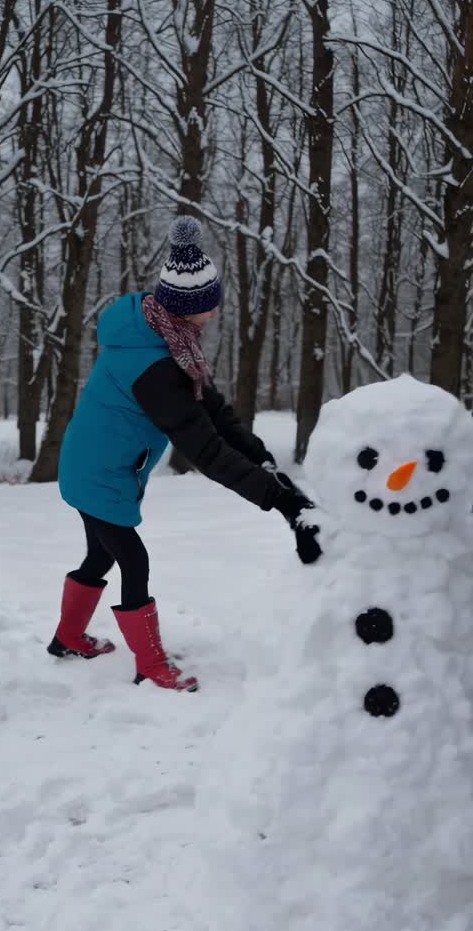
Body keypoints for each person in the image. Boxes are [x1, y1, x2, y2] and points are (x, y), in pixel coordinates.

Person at [48, 217, 319, 693]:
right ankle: (150, 665)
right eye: (211, 304)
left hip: (93, 465)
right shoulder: (156, 367)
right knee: (132, 560)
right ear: (192, 307)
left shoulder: (167, 339)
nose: (215, 311)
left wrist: (262, 460)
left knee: (101, 554)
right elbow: (207, 451)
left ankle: (68, 638)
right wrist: (281, 502)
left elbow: (214, 411)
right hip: (99, 473)